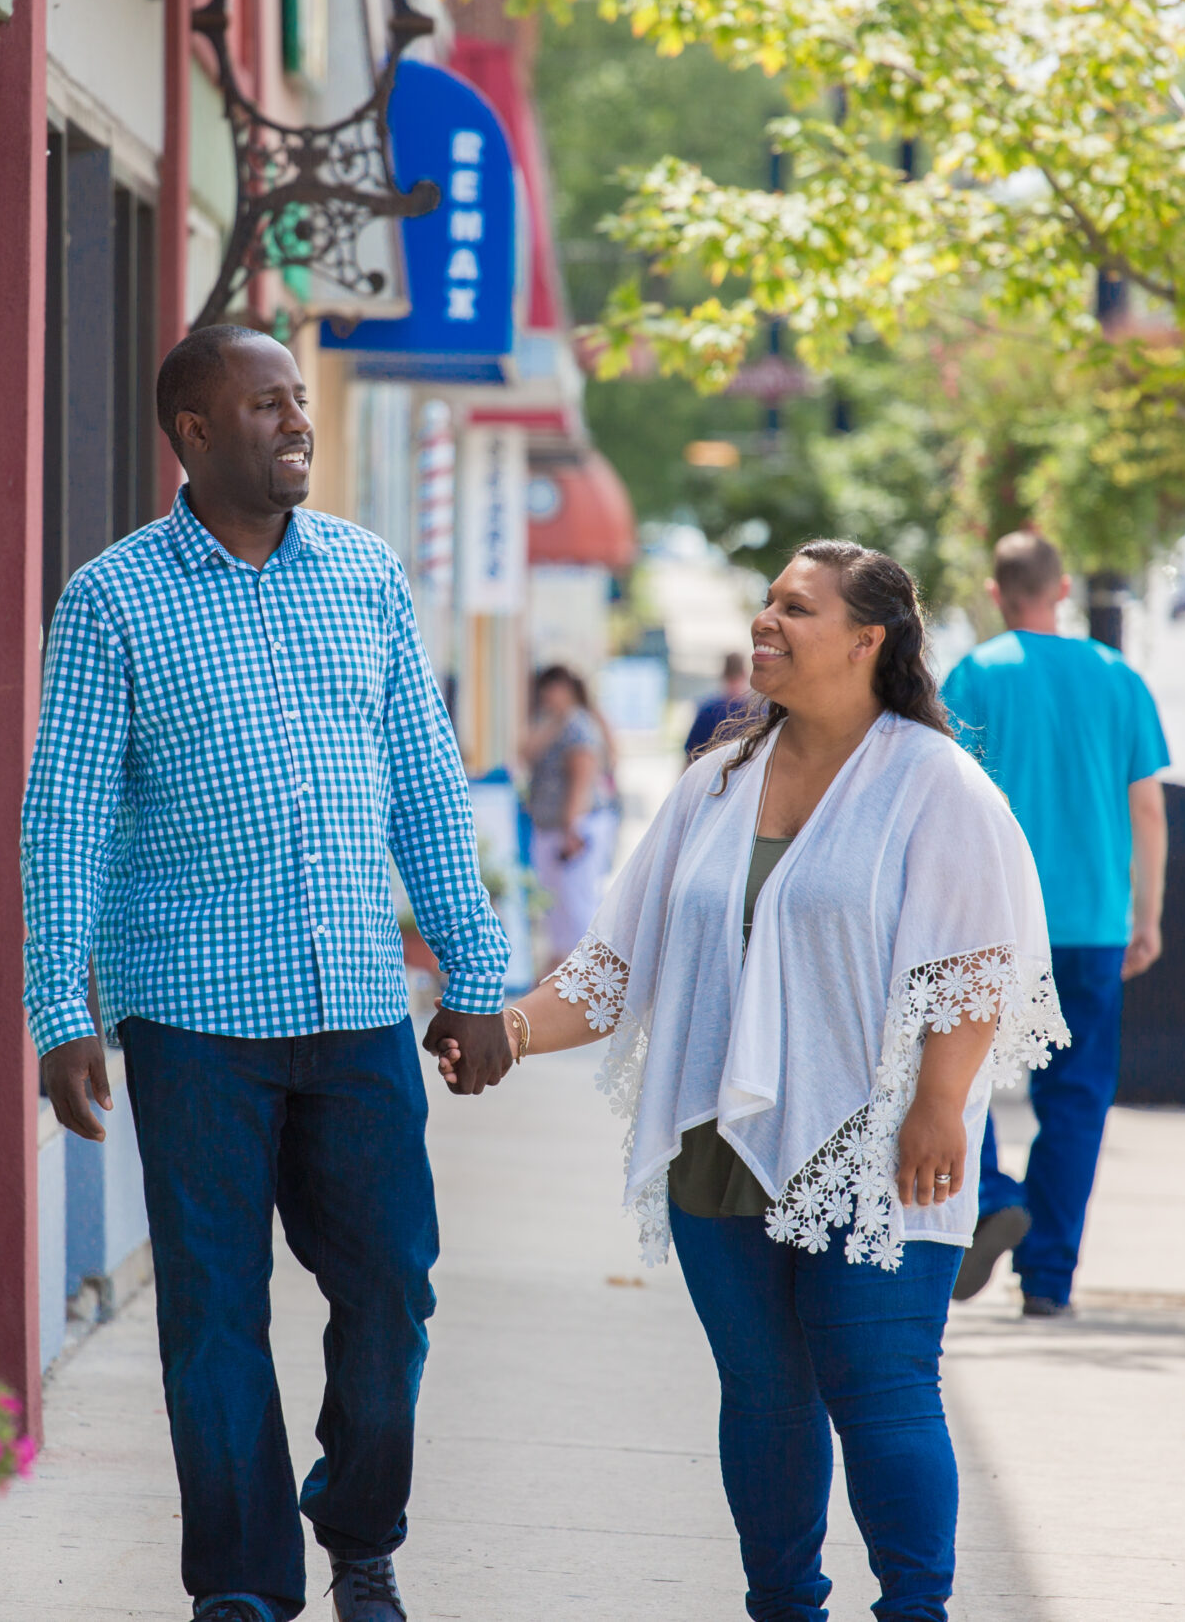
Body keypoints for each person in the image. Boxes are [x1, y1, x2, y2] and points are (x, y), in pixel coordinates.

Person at [441, 541, 1064, 1622]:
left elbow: (973, 963)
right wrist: (504, 1029)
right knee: (766, 1402)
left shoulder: (933, 784)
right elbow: (616, 965)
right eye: (765, 604)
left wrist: (935, 1106)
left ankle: (915, 1610)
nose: (764, 623)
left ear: (869, 640)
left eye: (796, 609)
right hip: (717, 1149)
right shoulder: (717, 782)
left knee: (880, 1395)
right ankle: (782, 1607)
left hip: (876, 1152)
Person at [22, 324, 515, 1622]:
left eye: (299, 400)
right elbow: (62, 809)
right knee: (212, 1312)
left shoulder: (364, 575)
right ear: (191, 432)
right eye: (264, 405)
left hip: (356, 1005)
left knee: (392, 1291)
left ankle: (357, 1523)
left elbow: (424, 781)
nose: (296, 421)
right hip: (193, 1016)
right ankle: (241, 1584)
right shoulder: (113, 597)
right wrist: (55, 1004)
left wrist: (477, 969)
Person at [939, 531, 1169, 1318]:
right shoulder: (1117, 678)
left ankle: (994, 1192)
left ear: (997, 592)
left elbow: (941, 798)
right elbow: (1147, 805)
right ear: (1062, 587)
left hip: (996, 918)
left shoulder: (975, 674)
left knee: (965, 1072)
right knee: (1075, 1098)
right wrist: (1148, 916)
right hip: (1094, 922)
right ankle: (1048, 1278)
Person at [524, 665, 619, 972]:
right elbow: (525, 751)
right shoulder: (557, 723)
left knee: (577, 906)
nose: (546, 696)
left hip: (574, 828)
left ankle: (587, 975)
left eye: (552, 688)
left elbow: (582, 778)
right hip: (555, 827)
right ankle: (564, 969)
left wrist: (571, 828)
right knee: (559, 909)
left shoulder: (578, 725)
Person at [686, 648, 756, 758]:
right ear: (745, 674)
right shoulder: (758, 711)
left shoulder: (708, 710)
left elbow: (690, 756)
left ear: (723, 674)